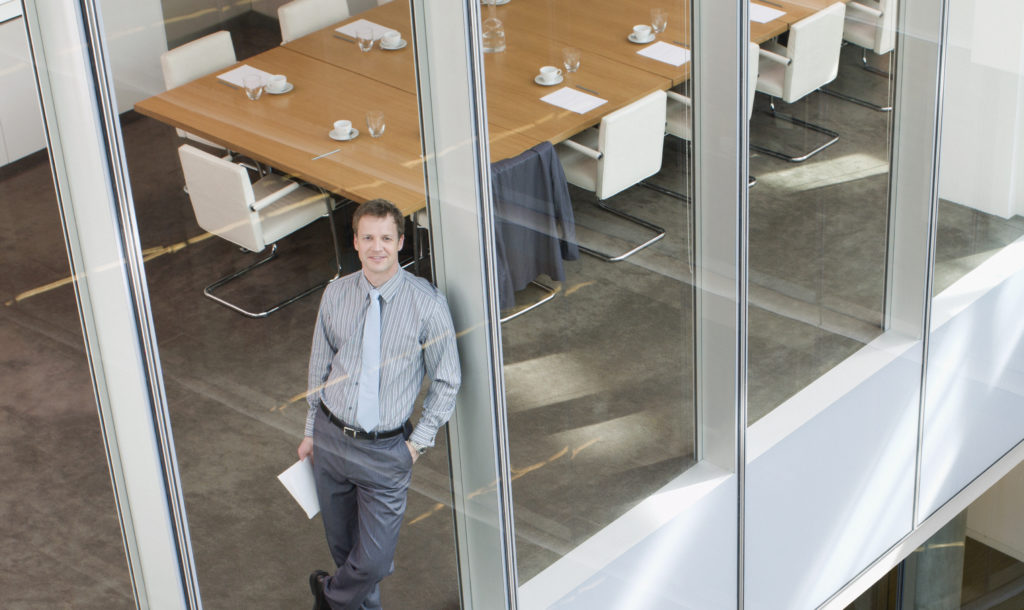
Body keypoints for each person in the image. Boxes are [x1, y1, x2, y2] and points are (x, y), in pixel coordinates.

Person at [300, 199, 461, 609]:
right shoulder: (336, 295)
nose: (377, 247)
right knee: (345, 552)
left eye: (386, 238)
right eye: (368, 237)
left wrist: (415, 445)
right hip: (331, 439)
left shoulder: (426, 304)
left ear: (401, 242)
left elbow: (447, 379)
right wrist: (309, 431)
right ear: (355, 242)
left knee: (371, 562)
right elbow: (320, 366)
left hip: (387, 451)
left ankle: (329, 596)